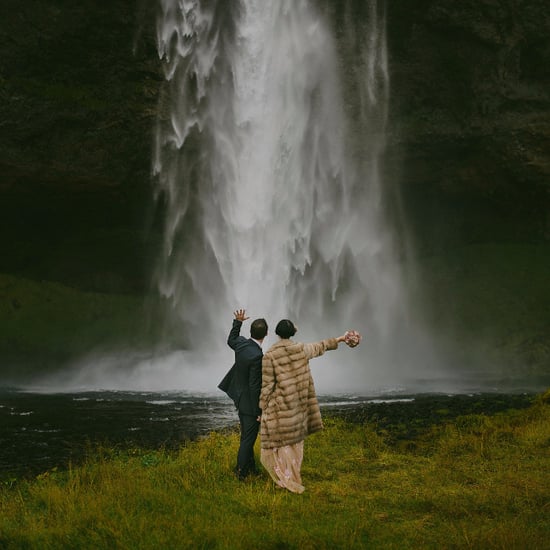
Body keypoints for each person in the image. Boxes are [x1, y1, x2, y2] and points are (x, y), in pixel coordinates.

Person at [259, 319, 358, 493]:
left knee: (282, 443)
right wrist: (341, 339)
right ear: (292, 333)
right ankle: (293, 475)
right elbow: (321, 346)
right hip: (298, 405)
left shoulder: (270, 355)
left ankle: (285, 478)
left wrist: (261, 407)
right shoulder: (301, 349)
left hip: (281, 407)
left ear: (276, 333)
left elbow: (267, 386)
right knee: (295, 441)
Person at [218, 309, 268, 480]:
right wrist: (258, 411)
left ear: (251, 332)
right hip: (249, 403)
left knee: (248, 436)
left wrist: (237, 322)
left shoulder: (242, 344)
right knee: (248, 439)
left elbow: (231, 339)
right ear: (266, 334)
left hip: (239, 396)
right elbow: (255, 386)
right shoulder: (257, 355)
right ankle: (241, 473)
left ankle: (251, 469)